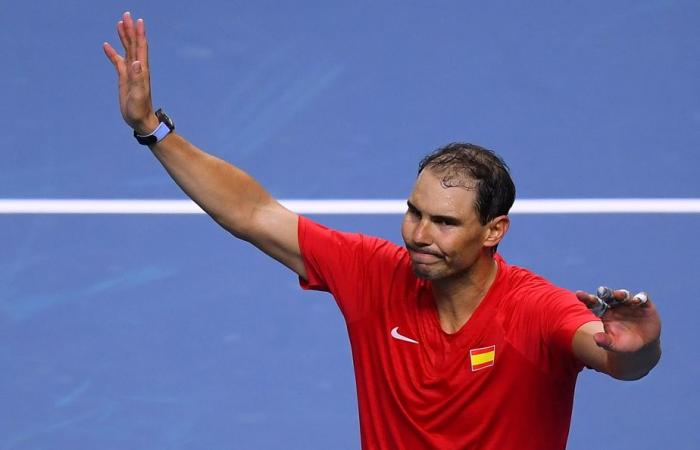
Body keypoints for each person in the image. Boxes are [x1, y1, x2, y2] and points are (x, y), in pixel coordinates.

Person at [103, 12, 662, 450]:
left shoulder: (538, 309)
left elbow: (616, 359)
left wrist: (642, 347)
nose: (419, 234)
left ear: (494, 231)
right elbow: (254, 213)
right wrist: (152, 129)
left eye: (445, 223)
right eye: (415, 212)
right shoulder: (374, 273)